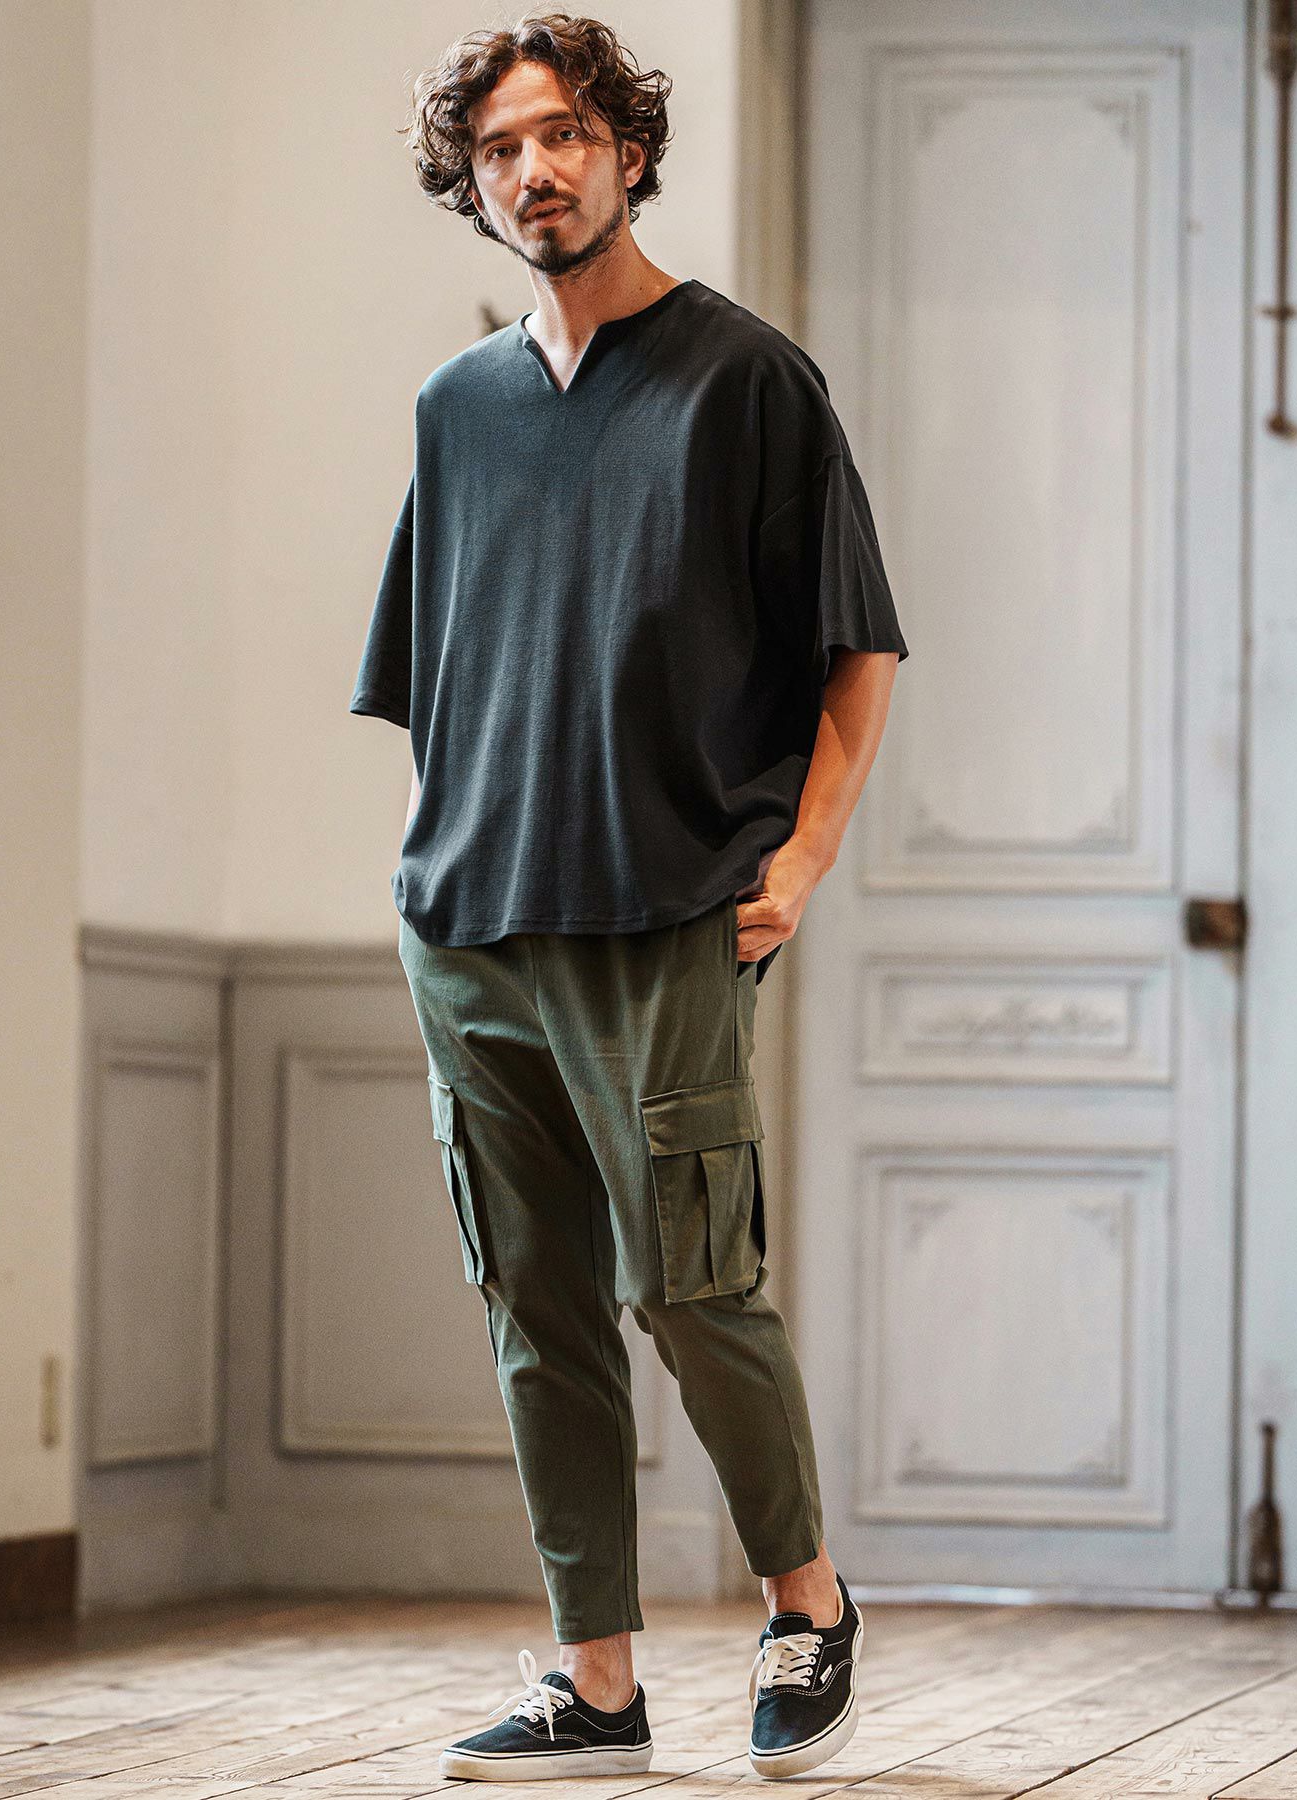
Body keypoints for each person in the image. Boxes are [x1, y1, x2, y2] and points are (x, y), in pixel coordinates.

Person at [350, 10, 907, 1783]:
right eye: (502, 148)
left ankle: (807, 1603)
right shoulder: (457, 409)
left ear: (631, 152)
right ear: (473, 181)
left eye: (566, 134)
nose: (536, 169)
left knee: (689, 1286)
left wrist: (803, 857)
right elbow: (432, 682)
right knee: (534, 1305)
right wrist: (431, 882)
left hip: (668, 916)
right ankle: (597, 1683)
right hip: (472, 931)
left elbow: (859, 647)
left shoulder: (748, 383)